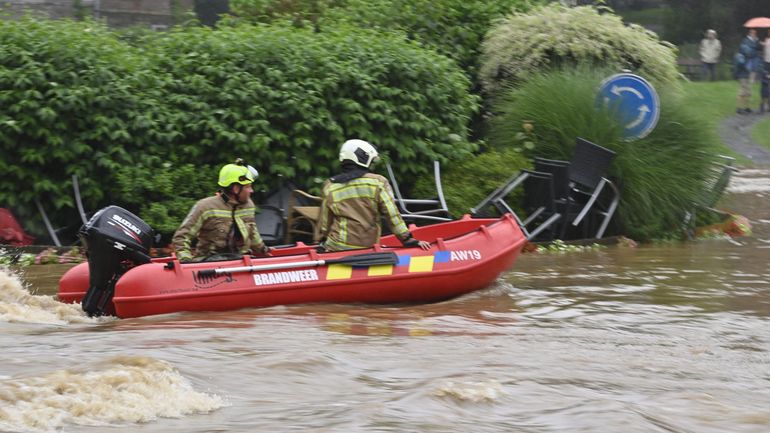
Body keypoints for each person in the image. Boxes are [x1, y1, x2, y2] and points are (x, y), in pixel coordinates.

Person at [316, 139, 431, 252]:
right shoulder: (378, 182)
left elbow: (325, 224)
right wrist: (407, 239)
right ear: (363, 157)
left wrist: (321, 242)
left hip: (337, 247)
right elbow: (392, 215)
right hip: (367, 247)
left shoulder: (330, 186)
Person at [173, 159, 270, 261]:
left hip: (242, 261)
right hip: (209, 263)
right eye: (248, 187)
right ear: (236, 189)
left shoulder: (248, 205)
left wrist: (264, 250)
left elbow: (252, 233)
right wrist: (185, 260)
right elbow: (181, 237)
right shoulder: (205, 206)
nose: (252, 191)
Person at [736, 28, 761, 114]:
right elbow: (748, 53)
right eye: (753, 33)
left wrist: (757, 43)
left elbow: (758, 50)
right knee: (743, 88)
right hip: (744, 68)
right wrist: (755, 45)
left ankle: (746, 107)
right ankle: (739, 108)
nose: (754, 34)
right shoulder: (745, 41)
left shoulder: (756, 42)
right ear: (749, 33)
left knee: (749, 89)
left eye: (755, 33)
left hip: (752, 68)